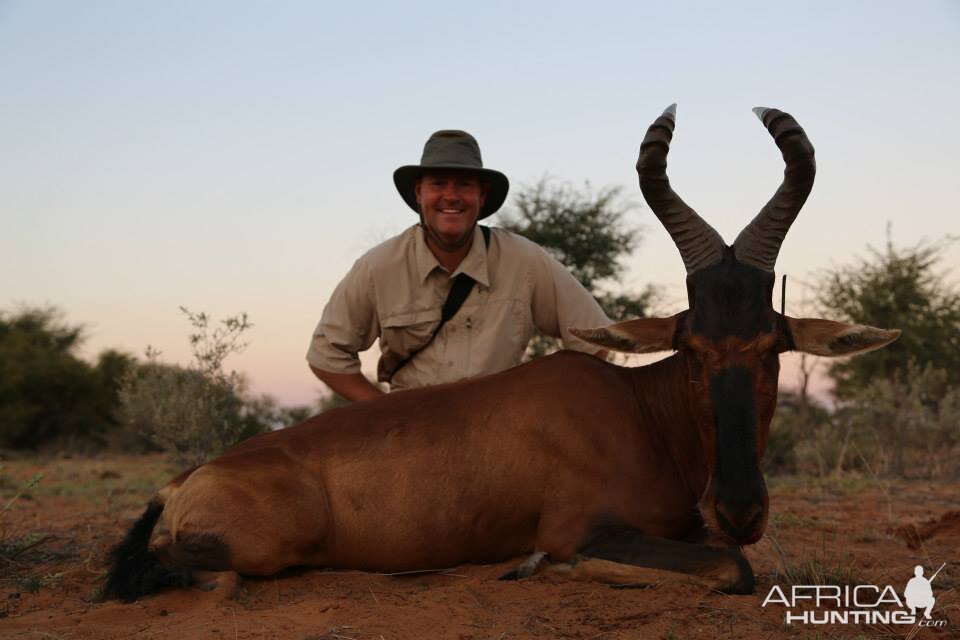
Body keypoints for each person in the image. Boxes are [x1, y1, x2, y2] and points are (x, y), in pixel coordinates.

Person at [307, 129, 610, 402]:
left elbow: (596, 338)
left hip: (502, 433)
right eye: (438, 183)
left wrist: (546, 406)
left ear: (481, 196)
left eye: (464, 185)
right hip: (412, 434)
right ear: (418, 193)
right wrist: (383, 413)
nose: (451, 196)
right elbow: (325, 354)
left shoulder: (524, 259)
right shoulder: (378, 266)